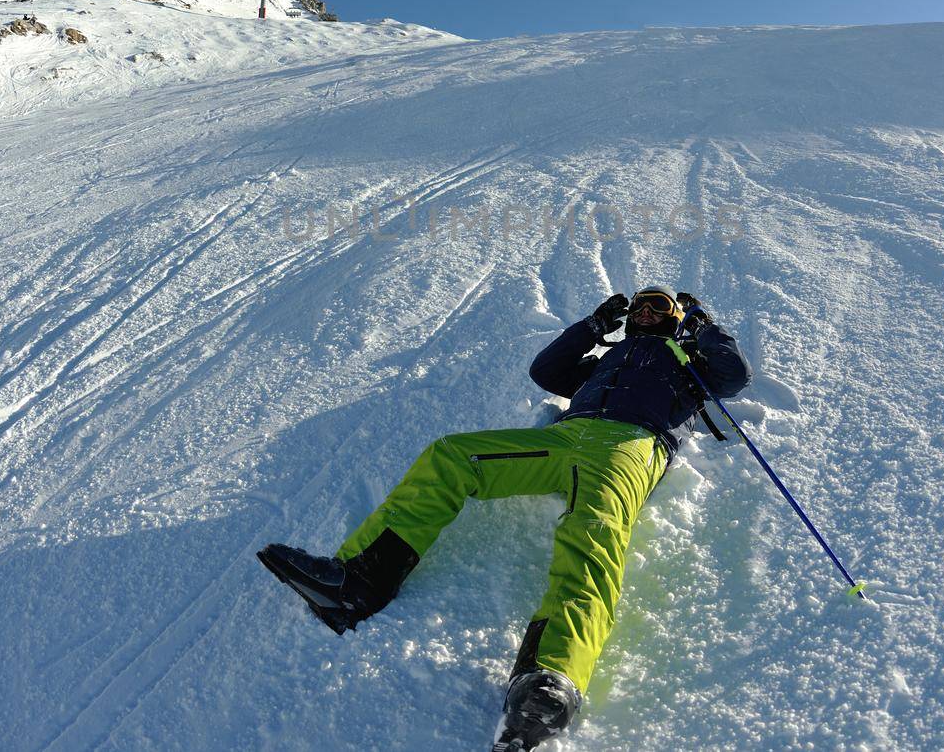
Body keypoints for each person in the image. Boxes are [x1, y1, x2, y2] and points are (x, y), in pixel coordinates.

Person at [258, 286, 751, 750]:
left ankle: (550, 680)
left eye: (659, 306)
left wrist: (701, 327)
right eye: (640, 306)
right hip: (565, 438)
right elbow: (548, 372)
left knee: (593, 539)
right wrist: (593, 326)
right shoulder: (609, 357)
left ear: (676, 318)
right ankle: (357, 584)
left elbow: (734, 376)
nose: (646, 311)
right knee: (453, 456)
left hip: (631, 446)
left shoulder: (691, 362)